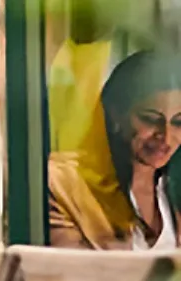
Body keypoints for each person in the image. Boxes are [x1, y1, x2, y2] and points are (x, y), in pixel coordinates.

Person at [49, 50, 181, 249]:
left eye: (179, 122)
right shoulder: (64, 182)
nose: (166, 136)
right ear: (116, 114)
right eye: (150, 119)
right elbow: (69, 273)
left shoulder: (172, 186)